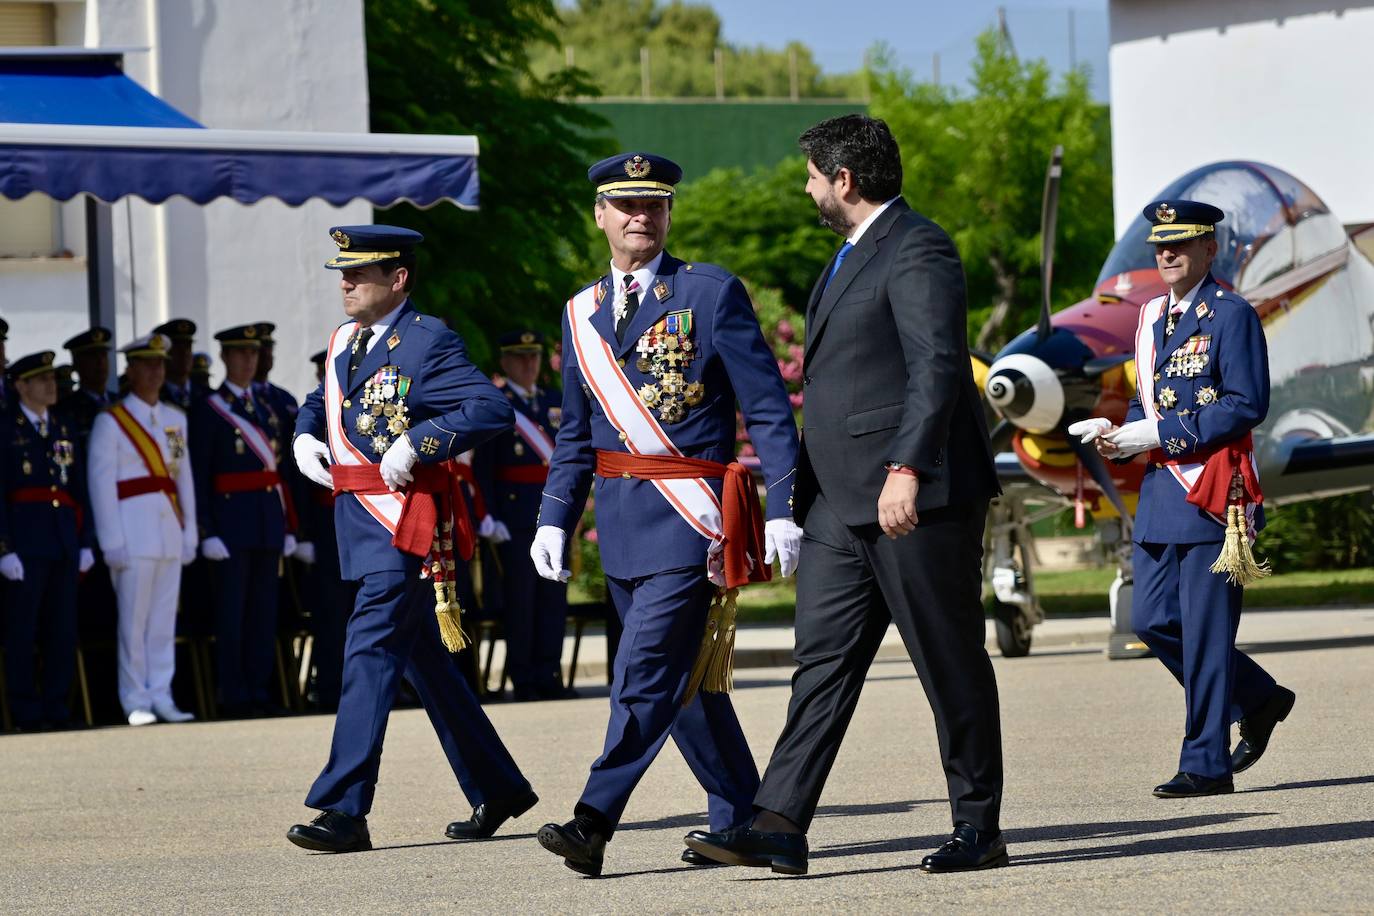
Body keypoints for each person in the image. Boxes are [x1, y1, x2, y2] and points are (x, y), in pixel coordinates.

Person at [685, 115, 1005, 875]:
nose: (807, 188)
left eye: (812, 176)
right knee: (821, 664)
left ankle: (978, 826)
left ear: (845, 181)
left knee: (948, 662)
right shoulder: (845, 258)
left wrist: (908, 469)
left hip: (913, 502)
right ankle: (779, 822)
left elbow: (936, 367)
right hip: (837, 503)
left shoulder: (918, 247)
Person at [530, 153, 801, 877]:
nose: (639, 217)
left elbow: (768, 407)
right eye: (625, 205)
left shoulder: (708, 293)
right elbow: (575, 430)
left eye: (652, 204)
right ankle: (747, 818)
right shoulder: (579, 312)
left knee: (643, 675)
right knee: (680, 689)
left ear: (668, 213)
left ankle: (592, 821)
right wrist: (554, 515)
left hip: (692, 521)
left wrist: (783, 505)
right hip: (619, 525)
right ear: (601, 215)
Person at [287, 224, 534, 853]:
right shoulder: (346, 339)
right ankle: (497, 785)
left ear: (398, 279)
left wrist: (417, 443)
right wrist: (304, 432)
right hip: (358, 517)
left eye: (360, 272)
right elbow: (327, 398)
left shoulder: (428, 339)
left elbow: (488, 409)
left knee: (367, 653)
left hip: (401, 521)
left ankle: (344, 808)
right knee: (426, 664)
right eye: (342, 271)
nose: (345, 281)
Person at [1083, 199, 1295, 797]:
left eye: (1181, 244)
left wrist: (1158, 433)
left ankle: (1205, 763)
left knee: (1205, 635)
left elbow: (1245, 403)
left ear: (1209, 249)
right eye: (1160, 245)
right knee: (1152, 621)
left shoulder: (1230, 314)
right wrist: (1120, 435)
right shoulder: (1150, 315)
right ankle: (1257, 697)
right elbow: (1144, 400)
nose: (1168, 254)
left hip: (1211, 491)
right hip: (1160, 489)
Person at [87, 333, 199, 725]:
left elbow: (182, 478)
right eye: (146, 364)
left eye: (159, 363)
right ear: (130, 371)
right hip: (132, 535)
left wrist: (190, 531)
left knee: (163, 621)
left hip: (168, 530)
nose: (155, 371)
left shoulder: (175, 419)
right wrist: (111, 540)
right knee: (133, 623)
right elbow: (101, 486)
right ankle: (135, 698)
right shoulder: (111, 422)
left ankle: (161, 693)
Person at [190, 325, 298, 717]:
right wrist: (207, 530)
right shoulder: (209, 408)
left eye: (253, 354)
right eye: (241, 354)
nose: (249, 361)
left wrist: (288, 525)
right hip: (230, 525)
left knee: (262, 612)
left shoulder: (265, 408)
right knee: (232, 613)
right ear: (225, 358)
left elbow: (280, 473)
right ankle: (233, 692)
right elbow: (199, 475)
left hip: (266, 522)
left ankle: (257, 687)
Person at [472, 330, 569, 701]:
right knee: (521, 600)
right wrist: (488, 516)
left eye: (534, 356)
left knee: (553, 599)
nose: (529, 364)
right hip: (513, 518)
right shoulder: (497, 404)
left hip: (553, 513)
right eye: (520, 357)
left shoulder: (554, 401)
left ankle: (549, 672)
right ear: (505, 362)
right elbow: (484, 468)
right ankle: (524, 676)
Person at [0, 351, 95, 730]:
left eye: (52, 378)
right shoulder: (7, 428)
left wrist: (85, 540)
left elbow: (79, 487)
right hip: (25, 543)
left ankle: (57, 705)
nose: (50, 385)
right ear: (20, 385)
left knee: (62, 628)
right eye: (41, 379)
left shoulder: (63, 426)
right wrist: (4, 548)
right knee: (24, 630)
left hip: (62, 540)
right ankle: (25, 709)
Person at [57, 327, 114, 440]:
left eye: (103, 355)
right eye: (93, 356)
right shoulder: (65, 410)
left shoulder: (121, 401)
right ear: (76, 364)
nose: (100, 362)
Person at [153, 319, 209, 412]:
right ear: (164, 354)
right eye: (177, 348)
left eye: (188, 347)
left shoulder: (209, 396)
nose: (185, 353)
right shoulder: (152, 395)